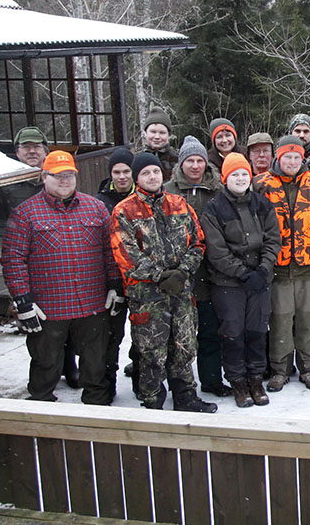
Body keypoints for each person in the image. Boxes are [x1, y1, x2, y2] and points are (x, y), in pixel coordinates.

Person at [1, 150, 116, 405]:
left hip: (92, 303)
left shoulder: (96, 208)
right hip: (49, 308)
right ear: (44, 177)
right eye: (57, 175)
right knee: (46, 361)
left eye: (69, 175)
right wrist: (23, 301)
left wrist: (115, 285)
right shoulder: (25, 214)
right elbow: (13, 260)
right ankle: (42, 406)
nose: (64, 180)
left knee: (95, 362)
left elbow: (111, 251)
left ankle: (97, 408)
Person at [110, 153, 217, 412]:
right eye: (145, 173)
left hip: (181, 291)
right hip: (147, 296)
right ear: (137, 178)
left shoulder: (179, 204)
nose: (152, 177)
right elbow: (125, 253)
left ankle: (185, 395)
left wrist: (182, 272)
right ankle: (153, 399)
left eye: (156, 172)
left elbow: (198, 242)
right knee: (151, 351)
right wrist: (159, 275)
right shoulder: (124, 210)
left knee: (184, 345)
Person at [201, 153, 281, 408]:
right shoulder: (214, 208)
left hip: (259, 280)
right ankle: (237, 381)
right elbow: (216, 250)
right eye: (234, 174)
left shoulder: (262, 204)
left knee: (257, 331)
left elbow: (273, 239)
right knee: (233, 333)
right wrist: (242, 273)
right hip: (228, 283)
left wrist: (262, 269)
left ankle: (256, 378)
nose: (240, 178)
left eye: (244, 174)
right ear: (225, 178)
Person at [252, 135, 310, 391]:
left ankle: (308, 368)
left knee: (308, 320)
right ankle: (280, 369)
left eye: (297, 157)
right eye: (288, 157)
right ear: (278, 157)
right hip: (278, 266)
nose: (292, 162)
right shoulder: (261, 184)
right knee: (280, 321)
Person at [164, 136, 230, 398]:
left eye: (199, 160)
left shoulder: (218, 190)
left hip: (211, 272)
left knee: (210, 331)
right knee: (177, 335)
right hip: (177, 272)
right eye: (189, 161)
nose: (195, 166)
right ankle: (179, 384)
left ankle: (211, 379)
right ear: (181, 163)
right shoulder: (168, 190)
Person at [94, 147, 134, 396]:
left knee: (143, 335)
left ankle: (141, 378)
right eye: (117, 172)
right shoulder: (100, 202)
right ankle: (106, 383)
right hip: (112, 279)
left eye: (126, 171)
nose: (122, 177)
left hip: (140, 278)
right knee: (111, 335)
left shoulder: (144, 196)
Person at [0, 127, 47, 220]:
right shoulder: (5, 180)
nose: (32, 151)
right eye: (26, 147)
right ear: (17, 153)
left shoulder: (58, 177)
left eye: (37, 146)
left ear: (45, 152)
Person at [135, 107, 179, 181]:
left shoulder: (177, 160)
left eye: (162, 133)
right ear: (145, 133)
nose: (157, 137)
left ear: (169, 135)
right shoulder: (137, 160)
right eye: (153, 132)